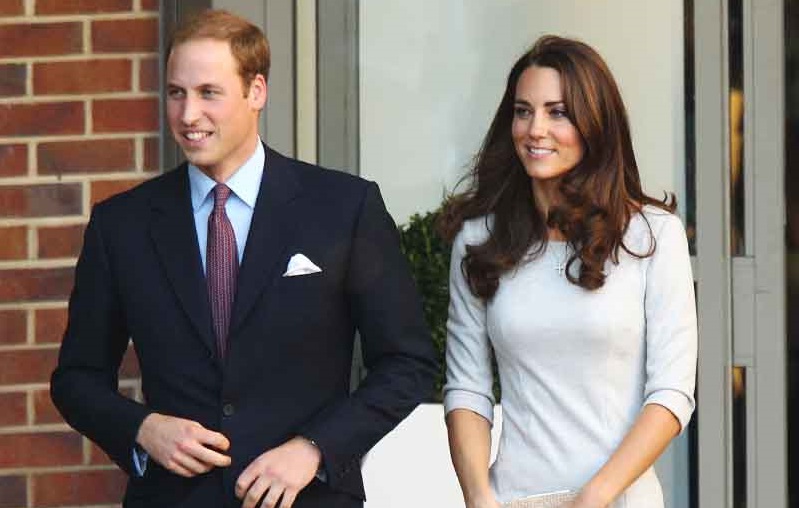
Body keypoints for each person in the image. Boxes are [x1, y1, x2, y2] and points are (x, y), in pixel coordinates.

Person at [50, 9, 436, 508]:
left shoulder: (344, 208)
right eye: (176, 93)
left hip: (308, 499)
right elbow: (76, 379)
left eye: (208, 93)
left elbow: (407, 363)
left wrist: (314, 449)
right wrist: (144, 428)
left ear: (256, 91)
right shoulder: (121, 225)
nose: (188, 115)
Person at [439, 35, 697, 508]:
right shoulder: (479, 239)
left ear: (595, 123)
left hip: (618, 500)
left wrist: (593, 497)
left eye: (557, 112)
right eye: (523, 111)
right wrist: (478, 497)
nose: (535, 129)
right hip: (512, 499)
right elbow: (467, 388)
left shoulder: (653, 236)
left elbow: (671, 393)